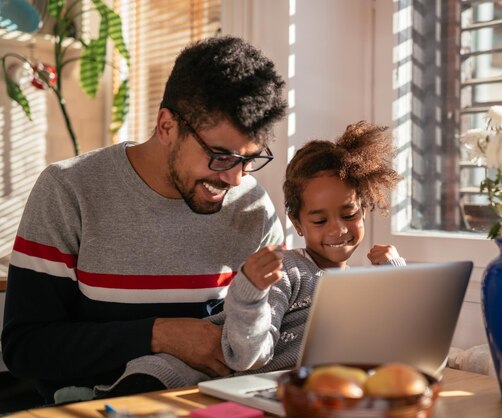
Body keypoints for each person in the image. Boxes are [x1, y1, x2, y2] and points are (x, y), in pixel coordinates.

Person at [1, 36, 287, 404]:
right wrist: (159, 335)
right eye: (220, 156)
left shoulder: (252, 206)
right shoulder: (69, 190)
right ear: (167, 126)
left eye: (249, 159)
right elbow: (26, 349)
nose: (235, 178)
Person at [93, 120, 405, 396]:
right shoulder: (289, 270)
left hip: (268, 392)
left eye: (349, 214)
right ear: (298, 223)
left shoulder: (364, 286)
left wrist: (396, 278)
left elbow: (402, 346)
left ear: (364, 210)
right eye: (320, 221)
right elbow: (248, 356)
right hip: (177, 374)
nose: (338, 230)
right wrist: (251, 291)